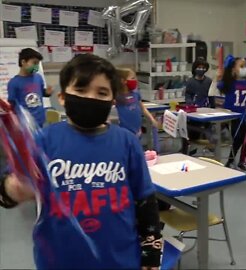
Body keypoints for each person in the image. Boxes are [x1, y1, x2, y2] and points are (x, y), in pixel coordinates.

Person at [0, 54, 162, 269]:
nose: (91, 98)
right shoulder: (43, 141)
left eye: (102, 92)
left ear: (113, 100)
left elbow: (145, 199)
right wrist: (13, 188)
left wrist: (151, 251)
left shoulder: (127, 142)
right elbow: (5, 191)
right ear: (63, 97)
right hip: (59, 260)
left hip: (120, 259)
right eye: (81, 90)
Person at [218, 55, 246, 173]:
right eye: (241, 66)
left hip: (242, 115)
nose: (244, 69)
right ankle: (230, 161)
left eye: (245, 66)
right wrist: (218, 78)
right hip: (230, 115)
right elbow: (215, 90)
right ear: (233, 69)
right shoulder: (228, 82)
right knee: (237, 138)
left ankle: (241, 162)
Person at [7, 48, 53, 127]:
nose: (36, 66)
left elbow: (40, 93)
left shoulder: (38, 78)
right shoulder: (14, 83)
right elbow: (12, 104)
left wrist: (47, 93)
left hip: (40, 119)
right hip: (25, 123)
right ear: (23, 62)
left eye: (38, 64)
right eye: (34, 63)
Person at [116, 68, 159, 137]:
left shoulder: (135, 93)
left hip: (137, 131)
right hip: (124, 132)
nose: (135, 80)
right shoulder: (117, 96)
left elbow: (143, 108)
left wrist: (152, 119)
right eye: (132, 78)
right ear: (123, 81)